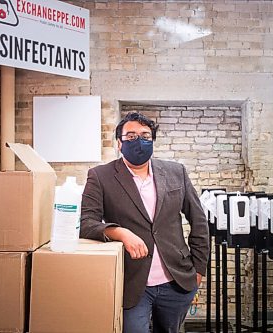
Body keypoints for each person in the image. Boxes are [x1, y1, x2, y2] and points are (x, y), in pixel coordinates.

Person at [80, 112, 210, 333]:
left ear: (152, 141)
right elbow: (86, 223)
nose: (138, 140)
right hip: (131, 282)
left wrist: (199, 269)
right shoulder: (100, 176)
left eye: (144, 135)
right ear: (119, 143)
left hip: (177, 281)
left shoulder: (175, 172)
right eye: (130, 136)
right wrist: (120, 232)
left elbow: (198, 221)